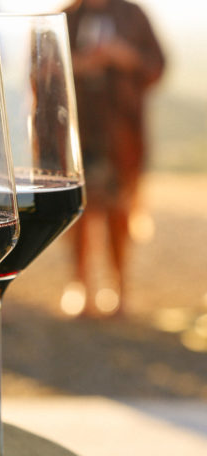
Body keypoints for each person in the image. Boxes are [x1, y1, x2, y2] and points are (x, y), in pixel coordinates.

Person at [62, 0, 164, 318]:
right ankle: (81, 287)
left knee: (119, 214)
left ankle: (120, 289)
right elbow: (41, 68)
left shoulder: (134, 15)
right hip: (77, 134)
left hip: (121, 137)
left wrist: (125, 56)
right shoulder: (67, 17)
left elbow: (157, 66)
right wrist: (78, 65)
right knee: (77, 214)